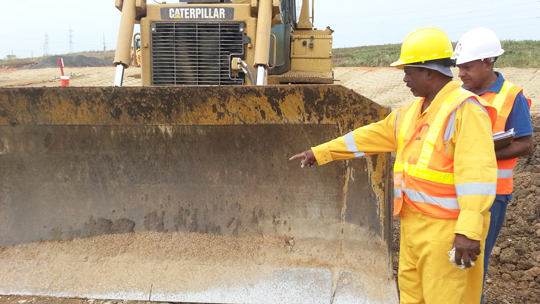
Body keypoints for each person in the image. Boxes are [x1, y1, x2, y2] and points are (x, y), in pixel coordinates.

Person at [290, 27, 499, 303]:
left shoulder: (465, 109)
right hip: (413, 228)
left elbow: (477, 175)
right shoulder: (411, 112)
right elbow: (370, 136)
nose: (404, 79)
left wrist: (469, 231)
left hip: (446, 234)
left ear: (430, 72)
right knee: (413, 298)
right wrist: (321, 152)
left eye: (409, 72)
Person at [454, 27, 533, 302]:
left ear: (488, 61)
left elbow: (525, 144)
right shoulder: (457, 94)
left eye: (467, 67)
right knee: (451, 258)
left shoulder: (512, 96)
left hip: (493, 193)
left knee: (473, 259)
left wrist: (482, 153)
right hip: (456, 190)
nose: (461, 74)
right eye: (459, 67)